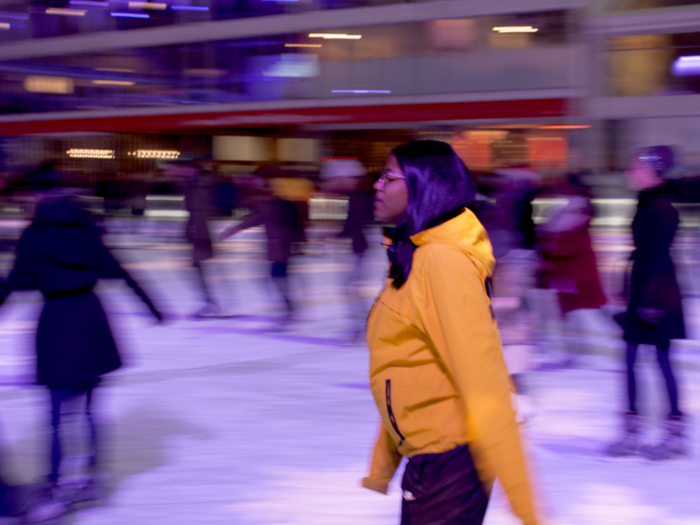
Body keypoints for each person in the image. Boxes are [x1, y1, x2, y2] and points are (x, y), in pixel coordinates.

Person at [363, 141, 542, 525]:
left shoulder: (442, 262)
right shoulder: (413, 254)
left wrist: (530, 512)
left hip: (452, 463)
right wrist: (382, 465)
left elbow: (484, 381)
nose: (377, 185)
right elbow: (403, 368)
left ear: (422, 186)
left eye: (388, 176)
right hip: (431, 458)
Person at [0, 185, 162, 520]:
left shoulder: (36, 234)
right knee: (90, 410)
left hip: (56, 323)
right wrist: (152, 307)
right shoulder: (87, 229)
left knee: (56, 415)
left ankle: (54, 483)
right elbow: (119, 270)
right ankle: (93, 477)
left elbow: (14, 282)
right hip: (92, 319)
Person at [606, 146, 687, 460]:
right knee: (630, 361)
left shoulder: (664, 207)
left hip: (657, 293)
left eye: (634, 167)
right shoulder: (647, 201)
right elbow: (642, 254)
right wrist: (625, 289)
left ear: (652, 170)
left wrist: (650, 301)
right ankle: (632, 431)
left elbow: (657, 256)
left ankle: (674, 435)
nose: (629, 172)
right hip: (643, 290)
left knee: (662, 362)